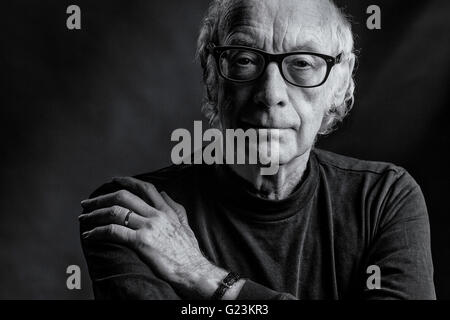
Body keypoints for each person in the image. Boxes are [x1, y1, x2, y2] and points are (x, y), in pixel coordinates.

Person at [79, 0, 435, 299]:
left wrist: (203, 276)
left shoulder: (384, 199)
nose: (270, 94)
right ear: (210, 75)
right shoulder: (133, 213)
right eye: (245, 59)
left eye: (302, 63)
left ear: (340, 83)